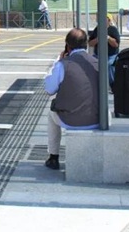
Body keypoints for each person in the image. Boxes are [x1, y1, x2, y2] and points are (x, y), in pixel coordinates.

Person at [43, 28, 99, 170]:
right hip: (97, 119)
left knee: (51, 115)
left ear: (67, 46)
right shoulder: (97, 62)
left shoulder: (63, 64)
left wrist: (58, 63)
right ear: (86, 44)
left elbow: (49, 89)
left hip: (71, 120)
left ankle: (53, 157)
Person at [88, 13, 120, 88]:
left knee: (108, 65)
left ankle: (113, 86)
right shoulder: (97, 29)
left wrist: (108, 38)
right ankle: (93, 85)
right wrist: (98, 39)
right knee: (91, 63)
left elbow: (116, 45)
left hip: (111, 56)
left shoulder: (113, 30)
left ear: (109, 20)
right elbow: (90, 43)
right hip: (98, 55)